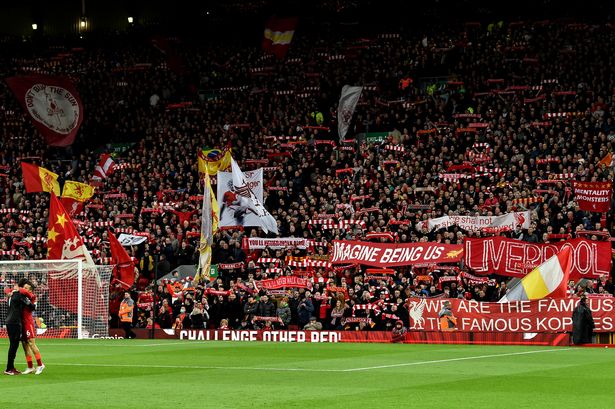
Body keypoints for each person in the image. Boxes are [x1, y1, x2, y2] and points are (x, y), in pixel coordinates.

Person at [4, 279, 35, 375]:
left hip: (9, 321)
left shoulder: (12, 294)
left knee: (13, 345)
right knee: (14, 345)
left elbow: (6, 291)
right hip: (15, 322)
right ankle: (9, 368)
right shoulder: (19, 295)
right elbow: (31, 306)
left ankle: (11, 367)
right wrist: (32, 297)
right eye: (24, 287)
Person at [18, 282, 45, 375]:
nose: (24, 289)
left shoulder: (32, 297)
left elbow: (20, 290)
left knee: (31, 343)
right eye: (24, 287)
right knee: (25, 345)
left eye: (26, 288)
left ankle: (40, 364)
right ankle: (30, 367)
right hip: (22, 323)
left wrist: (17, 289)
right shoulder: (23, 296)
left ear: (30, 290)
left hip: (28, 323)